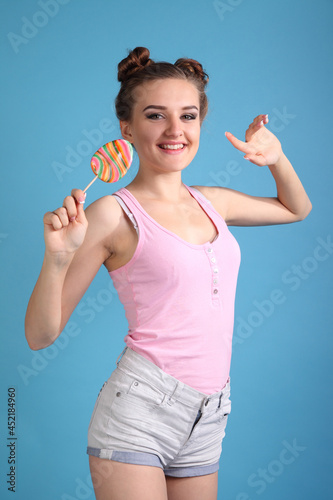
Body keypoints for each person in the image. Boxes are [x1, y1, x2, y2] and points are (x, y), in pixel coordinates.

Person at [25, 47, 312, 500]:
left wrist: (275, 157)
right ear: (127, 128)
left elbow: (297, 208)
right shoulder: (111, 214)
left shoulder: (212, 202)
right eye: (156, 115)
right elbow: (40, 336)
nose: (175, 130)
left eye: (189, 115)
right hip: (140, 409)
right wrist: (56, 259)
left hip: (210, 413)